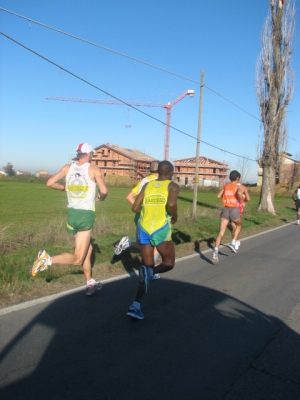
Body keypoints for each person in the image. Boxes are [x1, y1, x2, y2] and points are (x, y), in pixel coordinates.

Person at [30, 143, 108, 296]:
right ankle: (48, 260)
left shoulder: (67, 168)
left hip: (72, 214)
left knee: (88, 249)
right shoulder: (93, 169)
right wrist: (101, 197)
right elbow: (104, 190)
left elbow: (49, 183)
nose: (92, 156)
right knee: (79, 258)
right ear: (89, 154)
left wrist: (64, 188)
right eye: (92, 154)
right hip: (85, 215)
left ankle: (89, 281)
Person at [127, 160, 180, 320]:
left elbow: (134, 208)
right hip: (160, 228)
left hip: (144, 227)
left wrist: (148, 208)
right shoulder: (172, 185)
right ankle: (151, 273)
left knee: (147, 264)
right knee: (168, 263)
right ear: (170, 173)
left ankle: (135, 305)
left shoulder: (147, 185)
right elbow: (171, 203)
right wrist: (174, 216)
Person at [114, 160, 161, 280]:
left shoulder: (143, 181)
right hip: (153, 219)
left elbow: (128, 196)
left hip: (139, 217)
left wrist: (140, 210)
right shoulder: (159, 183)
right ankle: (149, 272)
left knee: (146, 246)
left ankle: (147, 271)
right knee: (157, 246)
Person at [212, 170, 250, 265]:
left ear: (229, 178)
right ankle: (233, 242)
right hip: (234, 209)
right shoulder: (239, 186)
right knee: (239, 225)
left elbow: (218, 196)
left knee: (221, 232)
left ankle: (215, 252)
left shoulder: (226, 186)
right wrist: (241, 199)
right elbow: (243, 196)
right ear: (238, 178)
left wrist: (227, 195)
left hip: (225, 209)